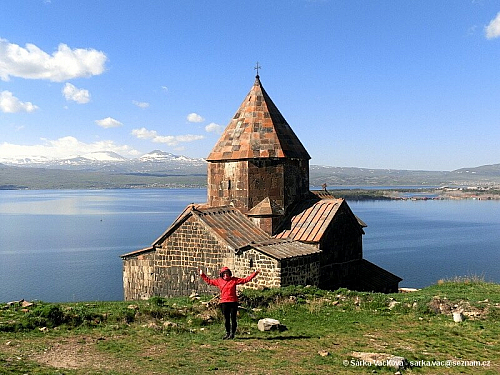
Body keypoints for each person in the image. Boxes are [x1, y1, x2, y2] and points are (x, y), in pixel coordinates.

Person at [199, 266, 259, 339]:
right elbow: (209, 281)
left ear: (229, 273)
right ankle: (227, 333)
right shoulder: (219, 281)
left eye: (227, 273)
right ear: (221, 274)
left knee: (233, 319)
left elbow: (245, 280)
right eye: (224, 274)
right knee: (226, 319)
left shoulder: (234, 280)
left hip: (233, 302)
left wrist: (255, 273)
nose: (225, 275)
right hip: (224, 302)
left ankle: (232, 334)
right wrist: (202, 275)